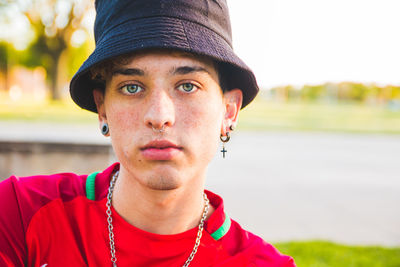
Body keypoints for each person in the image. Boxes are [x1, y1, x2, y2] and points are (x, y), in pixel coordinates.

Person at [0, 0, 296, 266]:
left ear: (229, 110)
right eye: (132, 87)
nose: (159, 116)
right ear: (103, 108)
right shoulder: (18, 213)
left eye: (188, 86)